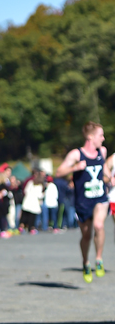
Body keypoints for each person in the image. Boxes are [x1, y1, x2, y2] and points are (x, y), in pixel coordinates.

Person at [56, 121, 110, 283]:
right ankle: (86, 262)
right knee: (86, 235)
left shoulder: (103, 151)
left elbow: (104, 170)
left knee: (99, 225)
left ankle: (98, 259)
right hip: (82, 201)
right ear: (90, 136)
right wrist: (75, 168)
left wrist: (109, 178)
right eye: (101, 135)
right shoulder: (76, 154)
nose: (103, 138)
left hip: (100, 197)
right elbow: (59, 172)